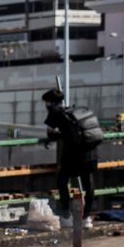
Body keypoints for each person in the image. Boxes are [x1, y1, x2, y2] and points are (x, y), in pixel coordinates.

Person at [42, 86, 98, 228]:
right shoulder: (73, 111)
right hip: (91, 151)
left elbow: (50, 133)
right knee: (89, 185)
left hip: (73, 155)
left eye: (46, 102)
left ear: (50, 102)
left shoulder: (54, 112)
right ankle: (86, 219)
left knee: (62, 181)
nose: (45, 105)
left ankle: (66, 216)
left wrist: (58, 136)